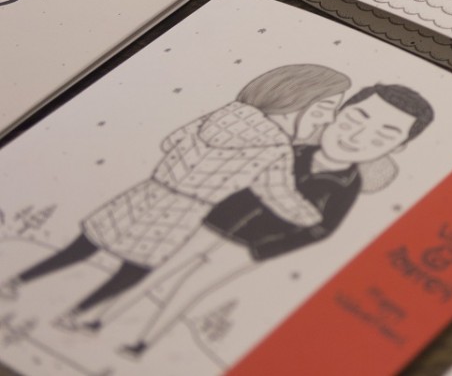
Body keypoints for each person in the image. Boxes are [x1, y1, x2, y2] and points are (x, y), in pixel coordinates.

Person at [0, 65, 351, 329]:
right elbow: (278, 194)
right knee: (136, 268)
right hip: (183, 210)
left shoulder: (226, 113)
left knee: (87, 244)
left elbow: (172, 141)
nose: (327, 120)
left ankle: (16, 282)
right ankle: (74, 315)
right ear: (298, 101)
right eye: (324, 109)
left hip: (150, 190)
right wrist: (312, 217)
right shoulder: (276, 149)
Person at [113, 83, 435, 358]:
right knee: (159, 267)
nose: (358, 137)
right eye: (354, 120)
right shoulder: (288, 150)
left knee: (192, 290)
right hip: (216, 220)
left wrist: (263, 250)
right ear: (338, 114)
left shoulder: (346, 186)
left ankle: (142, 342)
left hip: (249, 247)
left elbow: (320, 230)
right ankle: (102, 317)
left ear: (399, 147)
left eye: (381, 138)